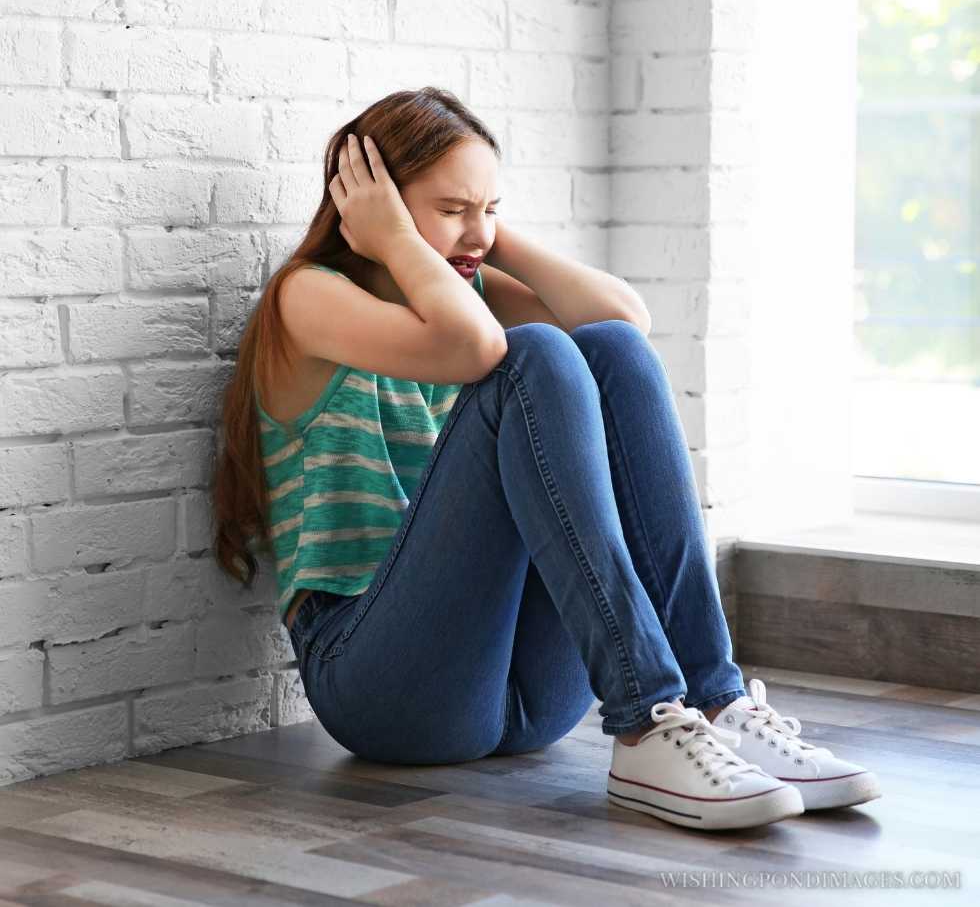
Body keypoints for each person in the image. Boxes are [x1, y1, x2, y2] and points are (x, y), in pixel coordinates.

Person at [211, 86, 881, 831]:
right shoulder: (306, 297)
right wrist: (401, 241)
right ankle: (644, 723)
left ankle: (713, 701)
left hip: (528, 699)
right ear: (376, 208)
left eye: (489, 208)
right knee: (531, 355)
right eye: (453, 208)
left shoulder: (462, 287)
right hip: (379, 687)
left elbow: (625, 321)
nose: (476, 232)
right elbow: (477, 349)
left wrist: (484, 232)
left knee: (608, 349)